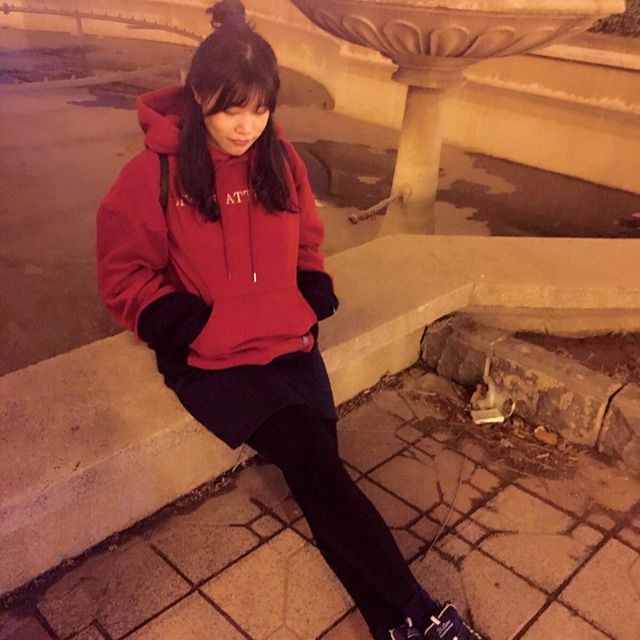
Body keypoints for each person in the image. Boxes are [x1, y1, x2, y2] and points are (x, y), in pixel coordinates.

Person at [96, 2, 484, 638]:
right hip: (215, 360)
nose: (245, 126)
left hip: (288, 341)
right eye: (230, 109)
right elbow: (122, 274)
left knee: (322, 482)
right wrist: (175, 318)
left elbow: (307, 237)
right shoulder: (153, 173)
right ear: (198, 95)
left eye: (259, 109)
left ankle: (393, 626)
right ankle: (422, 614)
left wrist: (311, 283)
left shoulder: (280, 158)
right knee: (319, 471)